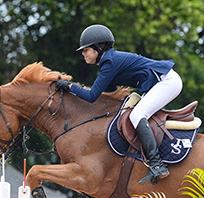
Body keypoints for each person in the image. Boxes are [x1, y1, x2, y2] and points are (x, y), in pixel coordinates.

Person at [56, 24, 183, 185]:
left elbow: (92, 96)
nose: (83, 53)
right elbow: (105, 94)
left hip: (167, 81)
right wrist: (74, 89)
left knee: (138, 115)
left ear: (99, 48)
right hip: (163, 81)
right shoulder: (108, 63)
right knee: (134, 113)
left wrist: (70, 86)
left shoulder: (109, 62)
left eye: (86, 49)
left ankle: (157, 164)